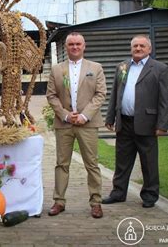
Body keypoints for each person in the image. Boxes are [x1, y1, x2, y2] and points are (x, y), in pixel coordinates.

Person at [102, 34, 168, 208]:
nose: (138, 49)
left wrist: (162, 125)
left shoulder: (160, 68)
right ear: (131, 48)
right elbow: (115, 94)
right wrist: (110, 117)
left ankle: (149, 195)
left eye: (142, 46)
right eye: (135, 46)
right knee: (122, 160)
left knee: (149, 162)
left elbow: (164, 100)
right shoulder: (122, 66)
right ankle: (118, 192)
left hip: (147, 123)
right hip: (124, 122)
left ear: (149, 49)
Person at [46, 32, 107, 219]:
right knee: (62, 164)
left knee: (92, 164)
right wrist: (65, 115)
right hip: (64, 124)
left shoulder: (95, 68)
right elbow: (51, 95)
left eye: (78, 44)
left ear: (84, 45)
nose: (75, 47)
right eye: (71, 44)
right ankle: (59, 201)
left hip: (87, 124)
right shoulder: (57, 69)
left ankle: (96, 202)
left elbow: (100, 94)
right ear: (66, 46)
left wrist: (84, 115)